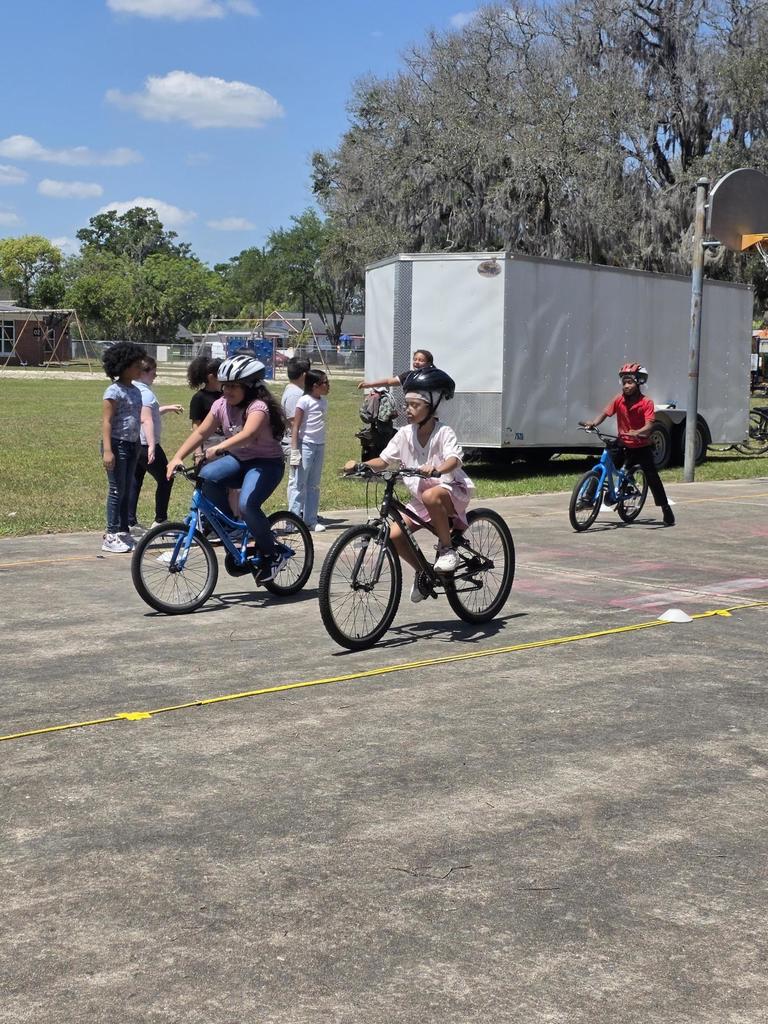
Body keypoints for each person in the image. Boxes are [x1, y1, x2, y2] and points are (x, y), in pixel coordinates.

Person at [343, 367, 475, 602]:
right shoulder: (404, 433)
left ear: (432, 407)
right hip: (422, 499)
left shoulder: (444, 432)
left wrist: (437, 468)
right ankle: (423, 572)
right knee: (394, 536)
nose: (408, 410)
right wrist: (361, 465)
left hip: (450, 492)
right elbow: (384, 461)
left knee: (431, 496)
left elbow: (454, 459)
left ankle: (447, 549)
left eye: (415, 405)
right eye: (407, 404)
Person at [166, 353, 287, 582]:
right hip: (239, 461)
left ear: (249, 387)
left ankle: (272, 554)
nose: (227, 391)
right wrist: (177, 457)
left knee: (247, 504)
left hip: (266, 464)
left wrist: (220, 447)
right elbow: (201, 431)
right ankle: (231, 528)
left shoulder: (258, 407)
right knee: (207, 476)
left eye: (233, 386)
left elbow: (248, 434)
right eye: (224, 386)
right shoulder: (220, 404)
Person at [583, 362, 675, 526]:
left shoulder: (646, 403)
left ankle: (666, 509)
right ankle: (588, 498)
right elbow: (605, 413)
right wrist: (593, 423)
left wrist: (638, 432)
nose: (626, 386)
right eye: (624, 382)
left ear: (639, 383)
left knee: (652, 477)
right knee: (605, 462)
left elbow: (650, 425)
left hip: (641, 446)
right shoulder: (619, 400)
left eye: (629, 382)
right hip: (623, 442)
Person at [128, 356, 183, 536]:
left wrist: (166, 408)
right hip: (146, 445)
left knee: (135, 480)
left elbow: (147, 413)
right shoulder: (146, 394)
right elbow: (146, 419)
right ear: (143, 373)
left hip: (134, 444)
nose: (156, 375)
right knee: (167, 477)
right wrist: (152, 446)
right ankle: (160, 521)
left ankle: (130, 521)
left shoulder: (133, 390)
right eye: (153, 371)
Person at [100, 342, 147, 553]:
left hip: (132, 444)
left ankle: (122, 530)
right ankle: (110, 534)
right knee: (116, 489)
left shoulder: (136, 390)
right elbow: (107, 421)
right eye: (136, 365)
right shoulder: (113, 391)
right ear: (123, 366)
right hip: (117, 444)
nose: (140, 369)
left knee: (127, 488)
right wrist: (108, 450)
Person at [290, 368, 330, 532]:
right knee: (299, 483)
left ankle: (310, 520)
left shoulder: (323, 402)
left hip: (319, 445)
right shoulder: (304, 401)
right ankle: (292, 521)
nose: (328, 386)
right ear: (315, 385)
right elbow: (296, 426)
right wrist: (294, 450)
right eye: (325, 383)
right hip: (305, 445)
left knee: (314, 485)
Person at [281, 356, 311, 517]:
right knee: (297, 480)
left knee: (302, 480)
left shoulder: (296, 391)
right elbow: (294, 423)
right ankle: (294, 515)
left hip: (299, 441)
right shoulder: (295, 394)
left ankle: (301, 511)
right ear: (305, 375)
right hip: (295, 443)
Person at [186, 355, 223, 461]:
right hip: (208, 445)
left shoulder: (225, 395)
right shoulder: (199, 398)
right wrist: (198, 453)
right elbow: (196, 426)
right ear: (211, 378)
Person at [357, 348, 434, 392]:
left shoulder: (434, 376)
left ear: (429, 363)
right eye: (415, 359)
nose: (417, 362)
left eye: (421, 360)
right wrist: (369, 385)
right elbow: (388, 382)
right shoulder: (409, 375)